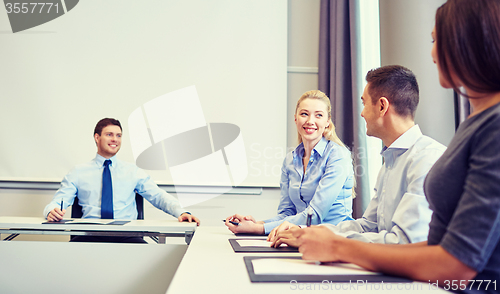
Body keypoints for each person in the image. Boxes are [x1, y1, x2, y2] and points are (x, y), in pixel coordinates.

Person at [272, 0, 500, 292]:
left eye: (435, 40)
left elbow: (456, 264)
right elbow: (384, 231)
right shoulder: (475, 124)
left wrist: (339, 247)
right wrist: (313, 236)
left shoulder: (489, 128)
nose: (431, 52)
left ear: (464, 43)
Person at [270, 65, 446, 244]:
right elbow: (367, 225)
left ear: (382, 106)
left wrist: (328, 242)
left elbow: (403, 242)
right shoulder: (390, 162)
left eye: (364, 103)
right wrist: (305, 232)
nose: (361, 113)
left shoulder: (426, 159)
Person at [44, 118, 200, 243]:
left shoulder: (133, 171)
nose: (115, 139)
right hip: (89, 235)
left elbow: (158, 196)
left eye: (118, 135)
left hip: (127, 235)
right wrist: (51, 211)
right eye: (109, 134)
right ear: (97, 138)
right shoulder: (78, 172)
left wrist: (181, 212)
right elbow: (59, 200)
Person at [225, 90, 354, 235]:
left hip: (336, 239)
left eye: (318, 115)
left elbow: (315, 216)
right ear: (295, 118)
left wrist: (259, 229)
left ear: (327, 122)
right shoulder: (290, 160)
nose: (310, 121)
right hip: (301, 237)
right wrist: (255, 223)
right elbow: (287, 214)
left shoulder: (338, 156)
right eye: (304, 114)